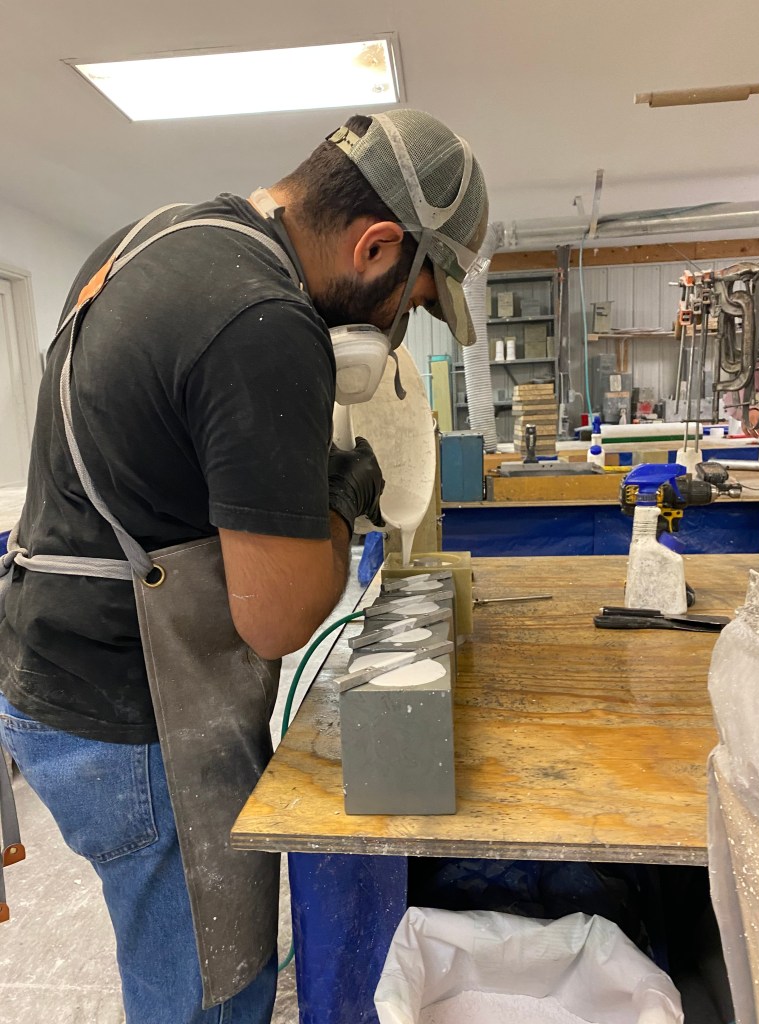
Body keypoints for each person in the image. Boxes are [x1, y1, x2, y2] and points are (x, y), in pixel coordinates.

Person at [0, 108, 488, 1023]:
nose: (400, 327)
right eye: (414, 302)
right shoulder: (264, 322)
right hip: (134, 718)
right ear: (378, 246)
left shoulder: (152, 236)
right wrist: (339, 500)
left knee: (162, 948)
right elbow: (277, 616)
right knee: (209, 983)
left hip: (48, 678)